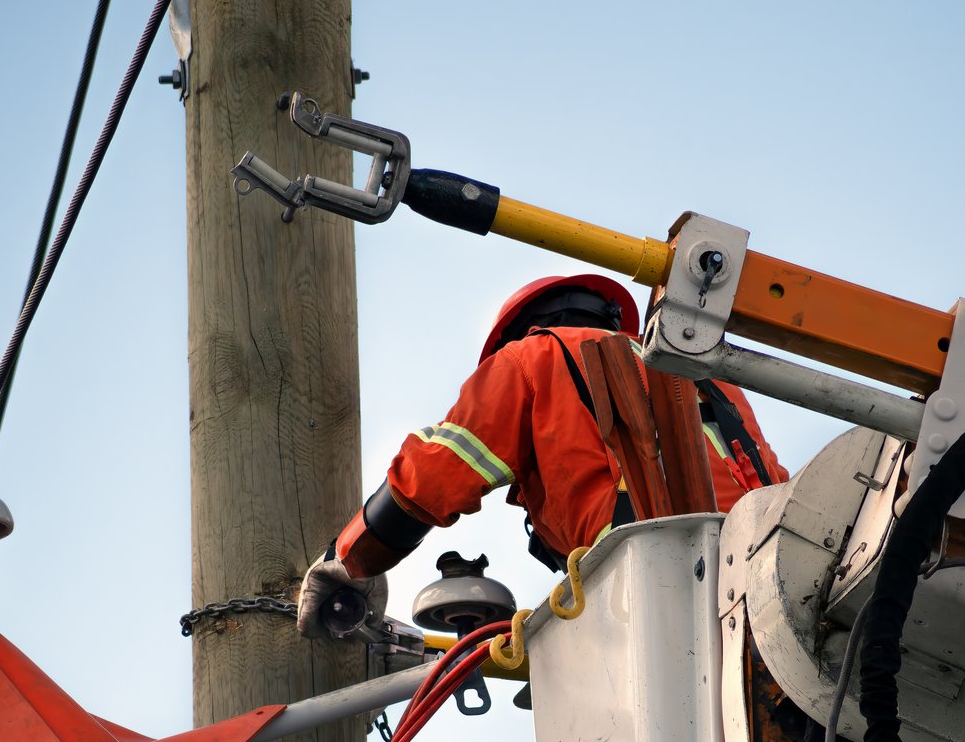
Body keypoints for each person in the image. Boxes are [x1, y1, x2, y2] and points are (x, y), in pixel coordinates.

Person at [296, 271, 789, 637]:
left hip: (655, 576)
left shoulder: (531, 358)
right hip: (772, 576)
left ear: (526, 329)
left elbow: (436, 474)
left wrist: (349, 559)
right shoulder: (706, 381)